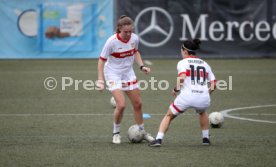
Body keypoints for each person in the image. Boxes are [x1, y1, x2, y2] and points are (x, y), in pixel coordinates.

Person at [97, 15, 154, 144]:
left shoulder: (134, 38)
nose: (128, 34)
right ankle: (116, 133)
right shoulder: (111, 41)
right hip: (113, 73)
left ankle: (142, 131)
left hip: (128, 72)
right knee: (121, 105)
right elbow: (101, 60)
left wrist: (142, 66)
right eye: (125, 32)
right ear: (119, 29)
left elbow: (135, 52)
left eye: (130, 31)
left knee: (138, 104)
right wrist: (100, 80)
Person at [149, 39, 216, 147]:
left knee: (169, 115)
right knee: (202, 112)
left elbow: (182, 77)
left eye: (181, 49)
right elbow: (214, 84)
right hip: (203, 98)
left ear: (185, 51)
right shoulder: (205, 64)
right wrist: (206, 94)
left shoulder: (183, 62)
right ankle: (206, 139)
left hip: (187, 97)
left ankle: (158, 139)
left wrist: (176, 89)